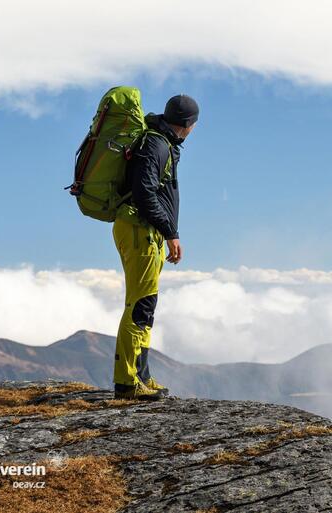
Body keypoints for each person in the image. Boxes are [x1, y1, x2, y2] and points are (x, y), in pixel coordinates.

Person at [112, 94, 199, 400]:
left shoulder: (160, 142)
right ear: (188, 124)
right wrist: (171, 232)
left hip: (142, 231)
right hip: (141, 231)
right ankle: (128, 382)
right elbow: (145, 192)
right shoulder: (157, 144)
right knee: (140, 305)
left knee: (144, 304)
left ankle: (141, 375)